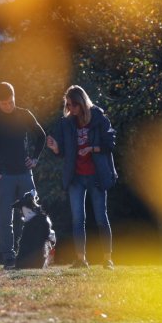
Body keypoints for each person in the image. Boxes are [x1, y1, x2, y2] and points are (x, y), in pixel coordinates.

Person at [46, 85, 117, 269]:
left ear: (81, 103)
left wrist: (92, 148)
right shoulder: (66, 122)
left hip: (96, 175)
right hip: (76, 176)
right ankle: (80, 259)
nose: (70, 109)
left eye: (73, 105)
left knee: (101, 218)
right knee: (78, 219)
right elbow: (63, 150)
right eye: (67, 105)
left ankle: (107, 259)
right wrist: (55, 148)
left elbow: (110, 143)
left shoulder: (98, 118)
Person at [0, 82, 46, 269]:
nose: (8, 106)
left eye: (10, 102)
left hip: (25, 174)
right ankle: (9, 258)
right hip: (4, 177)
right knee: (5, 219)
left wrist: (34, 159)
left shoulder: (24, 114)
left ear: (14, 97)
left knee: (33, 215)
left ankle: (34, 256)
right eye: (4, 103)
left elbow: (41, 136)